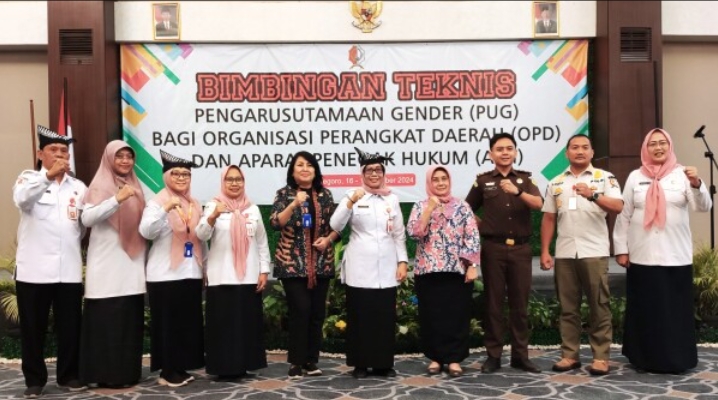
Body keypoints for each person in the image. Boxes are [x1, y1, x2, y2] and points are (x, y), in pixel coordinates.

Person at [613, 128, 711, 374]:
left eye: (662, 143)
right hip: (642, 255)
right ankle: (643, 358)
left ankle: (676, 359)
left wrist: (697, 184)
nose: (658, 148)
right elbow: (624, 215)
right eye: (653, 144)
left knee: (674, 311)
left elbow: (703, 207)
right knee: (646, 309)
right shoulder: (635, 176)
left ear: (670, 146)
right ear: (646, 148)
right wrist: (621, 249)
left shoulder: (683, 175)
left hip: (675, 256)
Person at [12, 125, 88, 399]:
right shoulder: (28, 179)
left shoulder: (78, 187)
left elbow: (81, 227)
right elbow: (22, 200)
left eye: (64, 151)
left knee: (70, 327)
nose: (59, 155)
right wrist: (47, 177)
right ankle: (34, 379)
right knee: (33, 329)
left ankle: (69, 375)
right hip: (34, 270)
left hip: (68, 269)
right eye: (53, 149)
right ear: (39, 153)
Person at [540, 134, 624, 376]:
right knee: (568, 307)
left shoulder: (605, 178)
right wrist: (545, 251)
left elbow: (618, 206)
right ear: (566, 153)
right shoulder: (556, 182)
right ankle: (569, 355)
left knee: (599, 306)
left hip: (594, 251)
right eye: (574, 147)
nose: (579, 151)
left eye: (584, 147)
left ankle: (600, 357)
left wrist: (593, 195)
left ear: (592, 152)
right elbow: (549, 218)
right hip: (565, 252)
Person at [465, 133, 544, 374]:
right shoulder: (483, 181)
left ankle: (521, 356)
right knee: (493, 304)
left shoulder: (525, 180)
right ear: (491, 154)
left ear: (516, 152)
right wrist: (483, 225)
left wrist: (517, 192)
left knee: (520, 305)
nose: (505, 153)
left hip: (521, 249)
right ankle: (494, 356)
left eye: (509, 148)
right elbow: (466, 209)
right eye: (499, 149)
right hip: (493, 249)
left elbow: (539, 204)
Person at [330, 147, 408, 379]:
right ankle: (360, 364)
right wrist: (350, 202)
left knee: (384, 317)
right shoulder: (352, 195)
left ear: (384, 173)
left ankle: (383, 364)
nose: (374, 174)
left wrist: (402, 261)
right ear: (362, 174)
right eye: (369, 170)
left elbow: (399, 234)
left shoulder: (392, 198)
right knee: (361, 316)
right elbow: (335, 225)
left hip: (386, 267)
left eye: (378, 170)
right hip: (360, 267)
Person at [79, 140, 146, 388]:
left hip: (132, 264)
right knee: (106, 321)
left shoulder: (136, 187)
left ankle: (128, 374)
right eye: (120, 156)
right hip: (106, 266)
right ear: (109, 158)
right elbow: (87, 218)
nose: (125, 161)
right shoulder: (99, 186)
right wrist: (116, 199)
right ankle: (104, 375)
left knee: (128, 321)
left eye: (129, 156)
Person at [270, 151, 340, 379]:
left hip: (321, 263)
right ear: (292, 171)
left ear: (315, 171)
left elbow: (337, 227)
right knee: (300, 311)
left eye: (309, 165)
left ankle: (311, 360)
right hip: (292, 263)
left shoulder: (325, 195)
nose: (305, 169)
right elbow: (275, 223)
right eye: (300, 165)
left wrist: (328, 240)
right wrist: (294, 204)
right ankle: (296, 362)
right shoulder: (284, 194)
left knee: (317, 313)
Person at [196, 165, 270, 382]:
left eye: (238, 179)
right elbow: (201, 235)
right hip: (222, 276)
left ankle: (245, 364)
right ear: (223, 182)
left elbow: (262, 241)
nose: (235, 183)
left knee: (247, 322)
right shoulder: (213, 205)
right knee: (223, 325)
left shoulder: (252, 209)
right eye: (230, 179)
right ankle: (224, 366)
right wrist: (212, 216)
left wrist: (264, 270)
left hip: (248, 275)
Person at [139, 150, 206, 387]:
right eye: (176, 174)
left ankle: (180, 367)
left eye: (186, 174)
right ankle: (167, 371)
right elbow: (147, 231)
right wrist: (166, 208)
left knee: (186, 322)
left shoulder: (194, 203)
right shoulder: (157, 202)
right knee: (167, 324)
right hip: (164, 274)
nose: (181, 178)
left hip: (191, 271)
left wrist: (204, 269)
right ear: (166, 176)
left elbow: (200, 239)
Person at [407, 165, 480, 377]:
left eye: (444, 179)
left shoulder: (462, 206)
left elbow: (472, 236)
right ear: (429, 182)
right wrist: (429, 209)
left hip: (457, 270)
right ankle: (436, 358)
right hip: (428, 270)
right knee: (432, 316)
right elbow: (414, 233)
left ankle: (454, 359)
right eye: (436, 179)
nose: (440, 183)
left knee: (456, 315)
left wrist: (472, 266)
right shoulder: (420, 206)